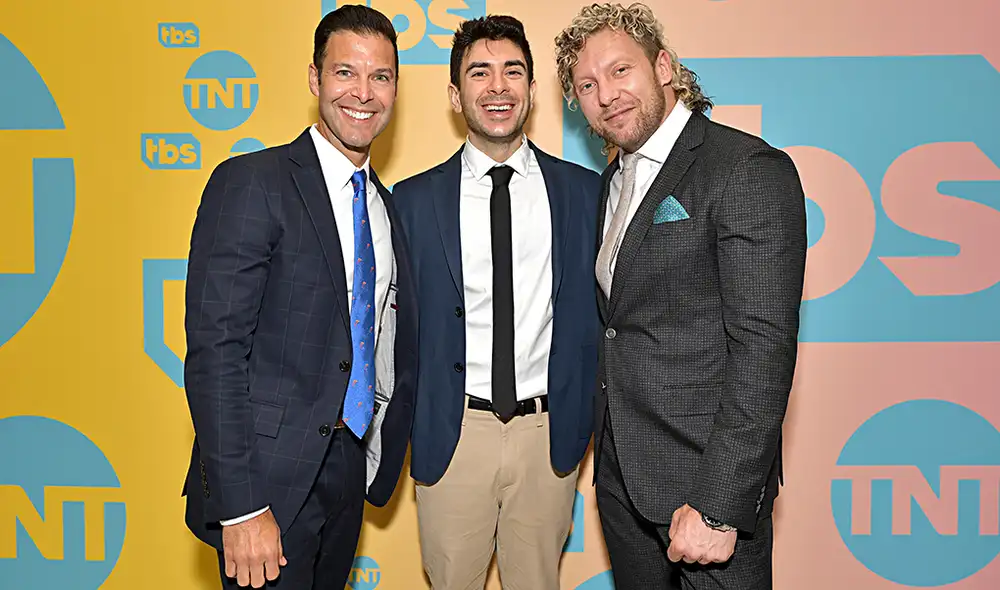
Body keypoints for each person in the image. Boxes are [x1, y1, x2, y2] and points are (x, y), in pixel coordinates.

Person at [555, 3, 807, 588]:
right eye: (587, 85)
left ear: (664, 67)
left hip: (707, 492)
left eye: (621, 71)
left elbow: (762, 349)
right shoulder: (613, 181)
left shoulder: (744, 167)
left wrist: (719, 504)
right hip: (623, 487)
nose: (606, 95)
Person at [180, 5, 416, 589]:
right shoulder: (253, 182)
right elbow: (215, 354)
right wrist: (240, 507)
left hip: (347, 469)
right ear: (314, 79)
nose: (363, 93)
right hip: (266, 485)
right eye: (345, 73)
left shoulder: (385, 209)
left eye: (380, 76)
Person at [392, 14, 602, 590]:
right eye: (479, 73)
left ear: (533, 91)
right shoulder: (411, 202)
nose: (498, 86)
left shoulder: (587, 195)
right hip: (452, 431)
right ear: (456, 95)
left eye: (513, 71)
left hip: (548, 433)